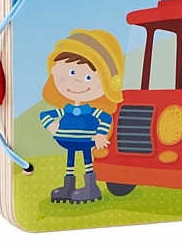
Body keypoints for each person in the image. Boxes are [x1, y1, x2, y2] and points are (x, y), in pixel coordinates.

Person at [40, 29, 124, 204]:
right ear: (55, 71)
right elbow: (45, 114)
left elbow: (106, 118)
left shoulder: (91, 110)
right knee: (70, 162)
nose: (77, 81)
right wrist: (52, 126)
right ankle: (68, 187)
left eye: (88, 77)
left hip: (86, 141)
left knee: (87, 161)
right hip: (68, 141)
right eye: (71, 73)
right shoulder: (67, 109)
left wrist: (100, 134)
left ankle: (91, 188)